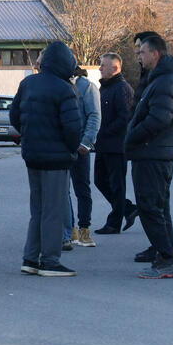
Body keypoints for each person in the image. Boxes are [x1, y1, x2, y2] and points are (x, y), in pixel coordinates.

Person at [10, 43, 82, 277]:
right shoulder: (65, 89)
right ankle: (50, 261)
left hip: (32, 155)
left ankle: (30, 258)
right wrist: (72, 151)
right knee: (54, 211)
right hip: (57, 158)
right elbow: (73, 129)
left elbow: (14, 116)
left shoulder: (28, 83)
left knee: (38, 210)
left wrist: (28, 135)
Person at [125, 35, 173, 279]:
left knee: (150, 208)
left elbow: (160, 119)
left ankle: (167, 260)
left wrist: (133, 135)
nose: (138, 57)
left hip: (152, 153)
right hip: (154, 153)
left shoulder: (164, 82)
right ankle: (167, 256)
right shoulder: (160, 79)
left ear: (155, 54)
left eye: (142, 53)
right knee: (158, 208)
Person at [93, 52, 136, 234]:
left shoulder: (122, 88)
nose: (100, 68)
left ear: (115, 68)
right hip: (103, 144)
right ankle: (127, 209)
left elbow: (125, 117)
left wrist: (105, 131)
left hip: (117, 146)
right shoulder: (105, 88)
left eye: (103, 65)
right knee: (100, 181)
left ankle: (114, 222)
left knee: (117, 184)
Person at [65, 66, 100, 248]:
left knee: (82, 189)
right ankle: (70, 229)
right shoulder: (61, 85)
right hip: (63, 146)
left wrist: (87, 142)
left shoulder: (87, 87)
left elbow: (94, 115)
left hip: (80, 147)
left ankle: (84, 229)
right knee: (64, 190)